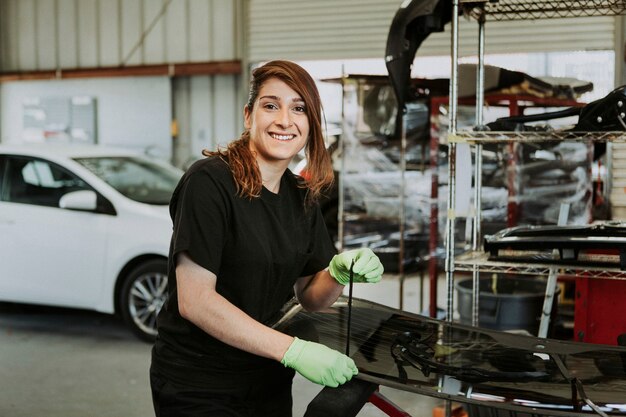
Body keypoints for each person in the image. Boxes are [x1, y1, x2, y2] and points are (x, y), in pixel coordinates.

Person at [150, 60, 384, 417]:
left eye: (299, 109)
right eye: (271, 105)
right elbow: (194, 301)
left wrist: (337, 273)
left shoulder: (302, 196)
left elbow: (311, 296)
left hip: (267, 378)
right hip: (200, 383)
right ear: (249, 116)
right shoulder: (209, 183)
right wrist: (295, 350)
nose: (284, 120)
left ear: (311, 123)